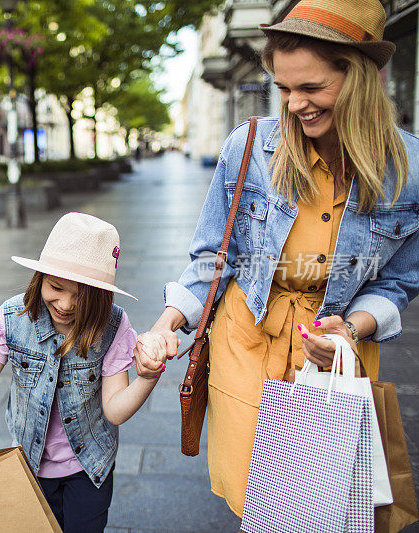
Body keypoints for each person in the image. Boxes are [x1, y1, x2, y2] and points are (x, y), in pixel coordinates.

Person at [136, 0, 419, 518]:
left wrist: (351, 329)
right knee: (261, 506)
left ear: (358, 80)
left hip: (333, 360)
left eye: (311, 88)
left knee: (321, 509)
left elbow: (399, 283)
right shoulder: (251, 147)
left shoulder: (410, 168)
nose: (293, 105)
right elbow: (211, 258)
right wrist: (166, 323)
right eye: (284, 88)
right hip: (247, 346)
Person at [0, 212, 166, 532]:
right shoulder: (14, 317)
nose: (65, 304)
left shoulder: (112, 326)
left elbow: (115, 410)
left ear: (101, 296)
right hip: (28, 467)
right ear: (40, 278)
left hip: (89, 469)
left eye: (81, 296)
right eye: (56, 287)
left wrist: (147, 377)